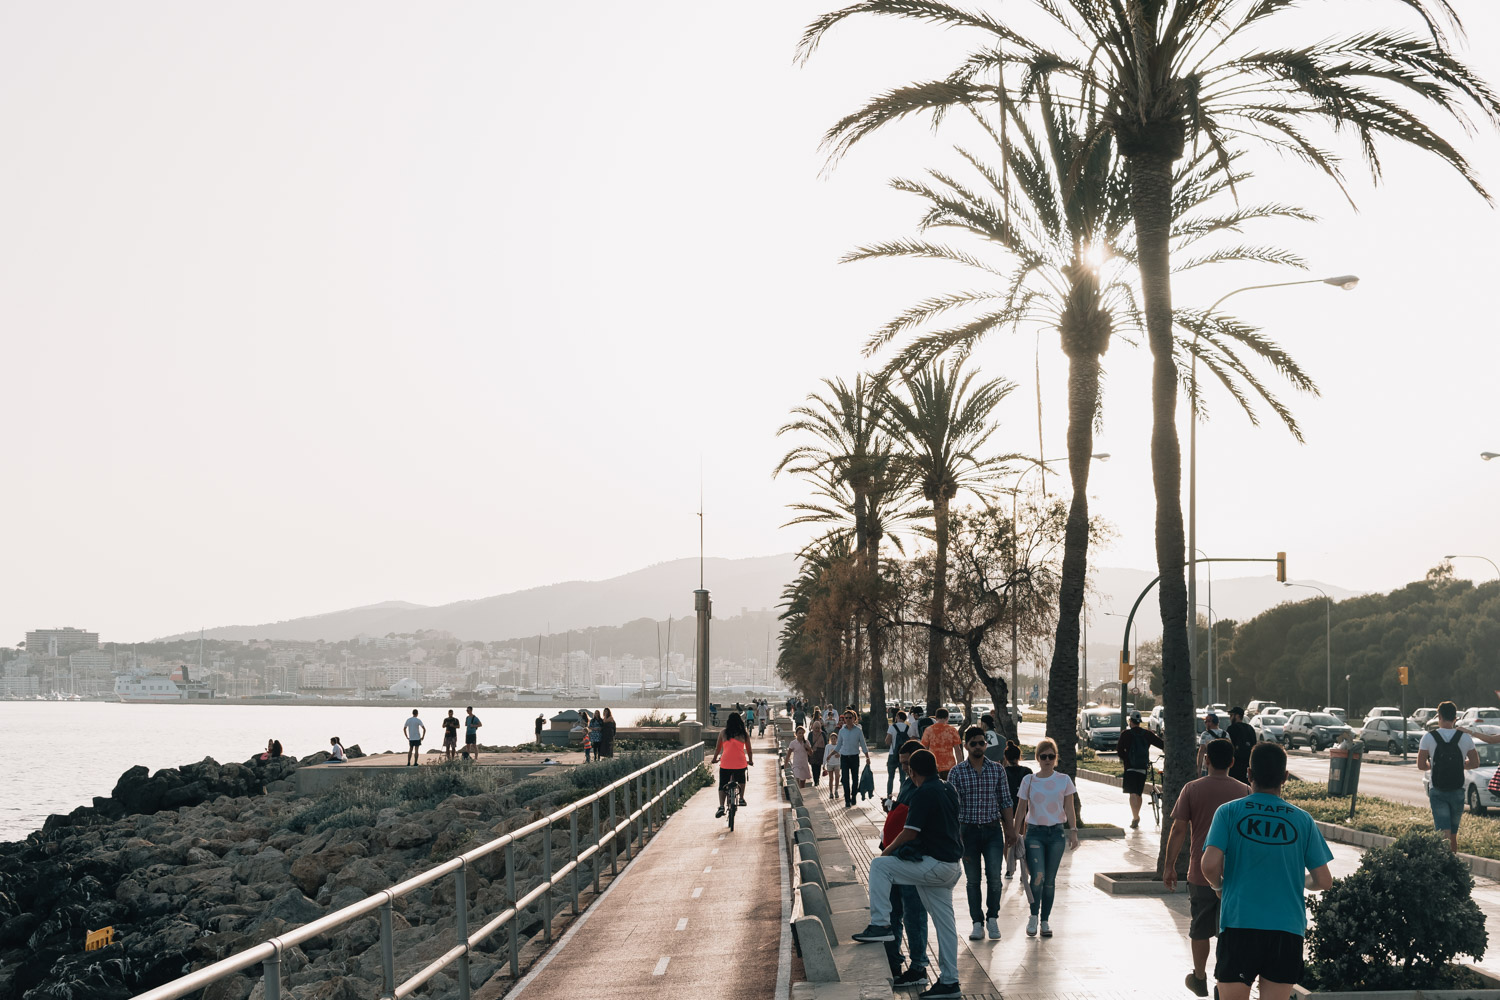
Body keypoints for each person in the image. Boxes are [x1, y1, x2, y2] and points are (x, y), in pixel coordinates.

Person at [1202, 741, 1334, 1000]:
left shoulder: (1228, 812)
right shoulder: (1302, 819)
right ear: (1285, 778)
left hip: (1240, 923)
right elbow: (1324, 880)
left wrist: (1219, 886)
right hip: (1286, 929)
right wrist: (1301, 880)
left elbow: (1208, 865)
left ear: (1249, 774)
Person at [852, 748, 964, 998]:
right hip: (951, 866)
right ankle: (950, 982)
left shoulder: (923, 792)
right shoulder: (948, 788)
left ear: (913, 772)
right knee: (946, 926)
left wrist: (888, 851)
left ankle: (880, 924)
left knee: (880, 866)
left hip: (935, 866)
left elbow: (910, 831)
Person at [1163, 738, 1249, 997]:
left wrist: (1169, 867)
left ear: (1207, 760)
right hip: (1234, 876)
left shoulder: (1191, 789)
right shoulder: (1245, 792)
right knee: (1228, 929)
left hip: (1200, 873)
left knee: (1200, 927)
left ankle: (1199, 976)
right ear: (1233, 762)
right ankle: (1224, 980)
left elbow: (1178, 830)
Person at [948, 725, 1017, 941]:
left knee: (995, 878)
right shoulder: (956, 772)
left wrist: (1010, 829)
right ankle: (976, 922)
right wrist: (954, 834)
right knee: (972, 880)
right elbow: (951, 807)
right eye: (974, 743)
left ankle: (993, 918)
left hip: (992, 831)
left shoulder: (997, 770)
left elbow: (1005, 801)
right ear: (966, 746)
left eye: (981, 743)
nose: (978, 746)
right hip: (967, 831)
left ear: (986, 744)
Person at [879, 738, 931, 989]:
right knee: (895, 912)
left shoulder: (925, 788)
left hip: (910, 859)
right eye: (901, 765)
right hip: (899, 858)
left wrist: (887, 852)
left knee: (914, 914)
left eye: (907, 764)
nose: (903, 769)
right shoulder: (909, 783)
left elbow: (914, 826)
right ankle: (894, 962)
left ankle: (919, 966)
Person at [1013, 737, 1078, 937]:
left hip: (1056, 834)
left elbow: (1069, 807)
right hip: (1034, 833)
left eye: (1051, 756)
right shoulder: (1029, 780)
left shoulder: (1063, 780)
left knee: (1050, 880)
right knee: (1037, 876)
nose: (1047, 759)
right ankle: (1033, 916)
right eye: (1043, 756)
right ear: (1037, 758)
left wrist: (1073, 831)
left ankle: (1045, 921)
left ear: (1056, 757)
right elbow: (1021, 809)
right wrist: (1014, 835)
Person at [1418, 700, 1479, 852]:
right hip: (1458, 790)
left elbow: (1420, 765)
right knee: (1452, 834)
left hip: (1437, 791)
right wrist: (1460, 765)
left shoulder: (1428, 737)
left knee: (1442, 833)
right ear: (1455, 718)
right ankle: (1453, 866)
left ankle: (1444, 867)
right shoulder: (1465, 738)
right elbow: (1475, 763)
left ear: (1439, 716)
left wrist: (1433, 765)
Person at [1116, 709, 1164, 828]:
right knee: (1138, 793)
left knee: (1132, 794)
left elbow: (1119, 751)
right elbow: (1162, 744)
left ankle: (1135, 817)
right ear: (1139, 721)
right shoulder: (1147, 734)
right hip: (1142, 767)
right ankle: (1137, 815)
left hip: (1130, 768)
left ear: (1130, 721)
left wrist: (1127, 759)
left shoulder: (1125, 734)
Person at [712, 711, 753, 817]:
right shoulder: (744, 734)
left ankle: (721, 806)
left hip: (725, 763)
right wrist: (751, 760)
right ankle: (742, 798)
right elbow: (749, 750)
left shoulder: (723, 733)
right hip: (740, 762)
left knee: (722, 784)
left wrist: (714, 759)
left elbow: (718, 748)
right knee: (741, 780)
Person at [1001, 741, 1031, 879]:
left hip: (1006, 809)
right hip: (1024, 808)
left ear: (1005, 757)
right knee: (1022, 838)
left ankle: (1009, 869)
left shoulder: (1003, 772)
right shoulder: (1027, 772)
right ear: (1020, 756)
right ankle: (1024, 870)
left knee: (1008, 839)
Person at [835, 709, 873, 808]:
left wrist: (867, 757)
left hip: (854, 757)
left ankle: (854, 796)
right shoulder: (842, 731)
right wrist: (831, 754)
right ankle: (847, 799)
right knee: (845, 779)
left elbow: (863, 745)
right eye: (846, 718)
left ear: (854, 719)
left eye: (849, 718)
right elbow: (838, 745)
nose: (847, 720)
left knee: (855, 779)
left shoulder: (858, 730)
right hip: (844, 757)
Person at [921, 708, 962, 778]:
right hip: (949, 766)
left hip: (933, 766)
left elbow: (925, 749)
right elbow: (957, 750)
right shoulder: (952, 730)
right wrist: (960, 766)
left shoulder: (928, 730)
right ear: (947, 718)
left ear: (936, 718)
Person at [886, 710, 914, 797]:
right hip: (904, 756)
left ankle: (889, 795)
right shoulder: (908, 727)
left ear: (897, 717)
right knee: (902, 777)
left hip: (892, 754)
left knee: (891, 777)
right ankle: (902, 795)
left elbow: (887, 741)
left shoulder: (892, 727)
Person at [1226, 707, 1257, 784]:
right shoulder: (1250, 728)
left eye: (1231, 715)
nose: (1230, 718)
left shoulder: (1231, 729)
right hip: (1247, 764)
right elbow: (1254, 746)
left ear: (1237, 716)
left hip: (1235, 765)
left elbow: (1228, 747)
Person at [1197, 712, 1228, 776]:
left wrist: (1198, 768)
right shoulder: (1226, 734)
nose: (1205, 723)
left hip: (1208, 767)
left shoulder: (1205, 734)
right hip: (1223, 766)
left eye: (1206, 721)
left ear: (1210, 722)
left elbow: (1201, 751)